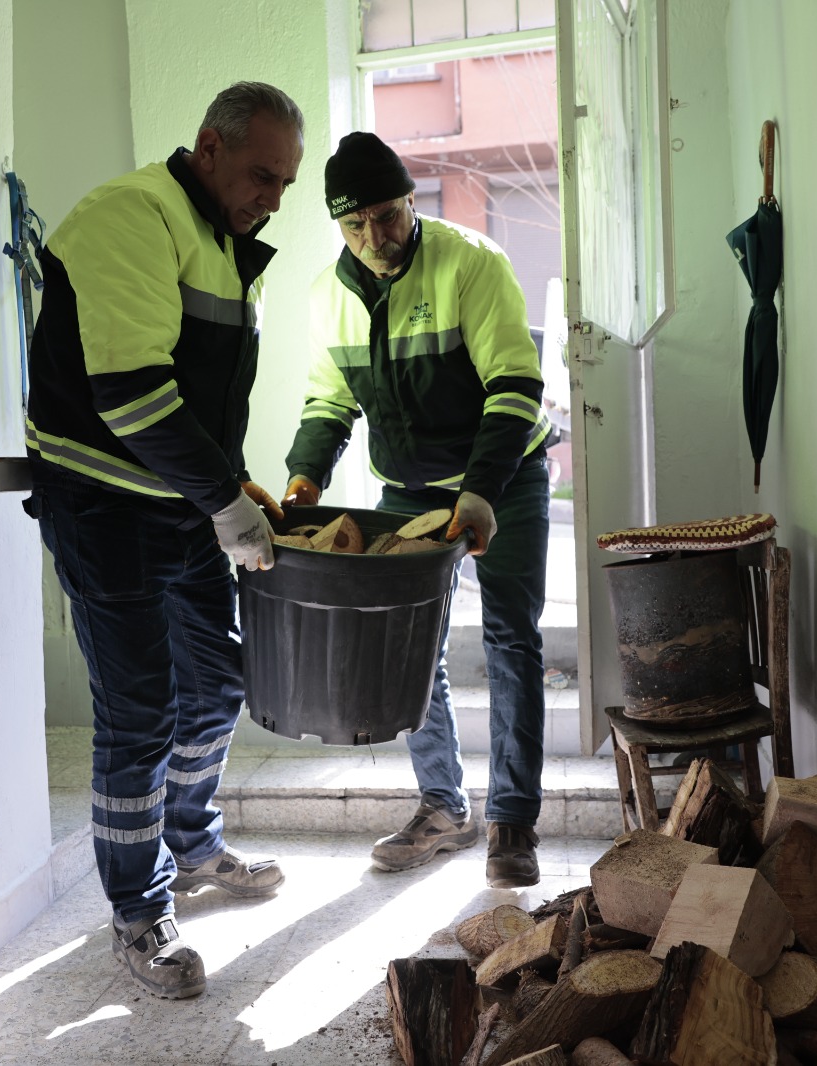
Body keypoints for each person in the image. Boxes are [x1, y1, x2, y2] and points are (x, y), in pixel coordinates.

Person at [23, 82, 304, 1000]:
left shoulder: (223, 244)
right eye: (262, 174)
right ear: (209, 148)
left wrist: (233, 482)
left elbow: (200, 398)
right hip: (103, 510)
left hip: (179, 505)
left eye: (286, 182)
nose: (273, 197)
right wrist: (225, 499)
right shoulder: (132, 214)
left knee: (218, 684)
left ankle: (192, 843)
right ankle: (138, 914)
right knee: (139, 710)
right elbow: (133, 394)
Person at [282, 132, 556, 888]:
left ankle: (513, 821)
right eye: (354, 224)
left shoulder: (471, 263)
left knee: (510, 638)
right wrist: (304, 477)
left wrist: (482, 492)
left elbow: (514, 385)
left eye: (387, 215)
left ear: (411, 200)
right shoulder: (328, 296)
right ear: (338, 225)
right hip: (408, 490)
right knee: (410, 646)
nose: (375, 237)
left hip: (505, 476)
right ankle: (443, 807)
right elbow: (329, 399)